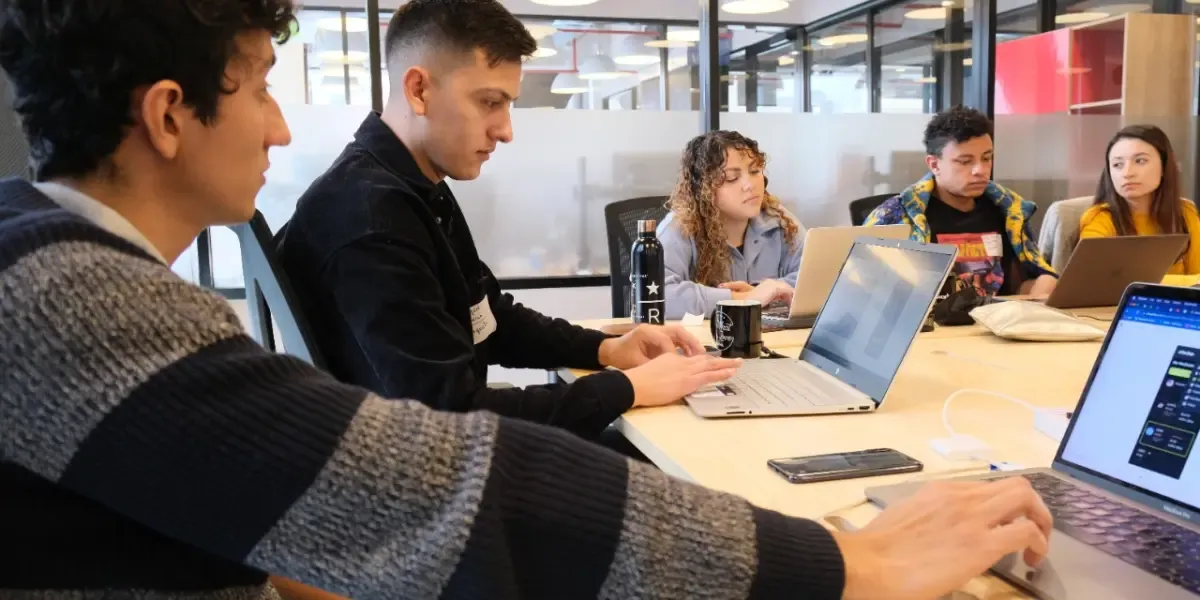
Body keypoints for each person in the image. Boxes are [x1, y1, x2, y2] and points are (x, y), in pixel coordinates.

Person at [0, 0, 1056, 598]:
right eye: (265, 85)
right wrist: (838, 562)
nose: (281, 127)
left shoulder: (51, 260)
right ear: (169, 114)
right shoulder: (72, 301)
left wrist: (607, 354)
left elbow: (479, 324)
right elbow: (444, 475)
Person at [273, 0, 720, 444]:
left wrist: (605, 349)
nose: (505, 131)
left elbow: (486, 315)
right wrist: (628, 388)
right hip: (423, 471)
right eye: (489, 102)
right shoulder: (370, 217)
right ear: (419, 90)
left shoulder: (412, 188)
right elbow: (449, 418)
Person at [865, 106, 1057, 298]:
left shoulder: (1010, 211)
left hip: (996, 315)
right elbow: (869, 289)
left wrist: (1042, 286)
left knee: (1048, 282)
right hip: (933, 316)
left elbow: (1016, 284)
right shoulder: (898, 216)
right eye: (965, 161)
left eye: (986, 158)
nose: (980, 170)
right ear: (934, 164)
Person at [657, 130, 803, 319]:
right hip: (704, 337)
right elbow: (658, 296)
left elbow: (816, 279)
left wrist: (765, 292)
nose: (750, 185)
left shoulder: (778, 219)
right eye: (732, 178)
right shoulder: (679, 229)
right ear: (705, 190)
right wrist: (743, 299)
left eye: (755, 171)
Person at [1079, 124, 1200, 274]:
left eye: (1140, 161)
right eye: (1117, 164)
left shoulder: (1184, 213)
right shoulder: (1101, 218)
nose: (1127, 173)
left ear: (1164, 166)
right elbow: (1091, 276)